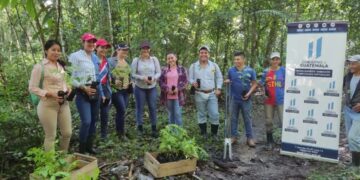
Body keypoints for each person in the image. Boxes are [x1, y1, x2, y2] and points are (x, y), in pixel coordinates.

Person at [29, 40, 72, 152]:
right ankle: (51, 165)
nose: (56, 52)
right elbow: (32, 87)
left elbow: (65, 81)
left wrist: (68, 88)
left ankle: (63, 158)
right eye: (53, 49)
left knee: (67, 133)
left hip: (63, 103)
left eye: (58, 50)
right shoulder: (39, 67)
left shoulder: (60, 66)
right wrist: (50, 94)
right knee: (50, 136)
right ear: (46, 51)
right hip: (47, 105)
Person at [69, 33, 105, 154]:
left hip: (95, 92)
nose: (91, 44)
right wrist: (84, 87)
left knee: (94, 120)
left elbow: (97, 76)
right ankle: (82, 149)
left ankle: (90, 146)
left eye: (93, 42)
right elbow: (70, 78)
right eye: (88, 41)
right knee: (86, 121)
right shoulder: (75, 56)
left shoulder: (95, 57)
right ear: (83, 42)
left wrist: (102, 92)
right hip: (82, 93)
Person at [189, 45, 223, 138]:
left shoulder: (214, 65)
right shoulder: (193, 66)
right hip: (199, 93)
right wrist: (193, 83)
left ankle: (214, 134)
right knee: (201, 113)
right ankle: (203, 133)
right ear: (199, 54)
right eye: (201, 53)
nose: (203, 54)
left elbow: (219, 77)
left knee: (214, 114)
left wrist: (219, 88)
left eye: (205, 52)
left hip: (212, 93)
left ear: (209, 54)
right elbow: (190, 78)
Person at [225, 51, 257, 147]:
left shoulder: (250, 70)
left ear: (243, 59)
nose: (236, 61)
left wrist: (249, 93)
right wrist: (227, 81)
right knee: (233, 118)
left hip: (246, 99)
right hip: (234, 99)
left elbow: (255, 83)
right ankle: (233, 137)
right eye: (235, 59)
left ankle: (250, 138)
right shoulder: (231, 70)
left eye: (238, 59)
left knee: (247, 118)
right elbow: (229, 80)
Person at [131, 41, 161, 138]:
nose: (145, 50)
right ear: (140, 50)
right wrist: (142, 78)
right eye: (143, 48)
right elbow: (132, 74)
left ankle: (154, 128)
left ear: (149, 49)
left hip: (152, 87)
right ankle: (140, 128)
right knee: (140, 107)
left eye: (147, 48)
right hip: (140, 87)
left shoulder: (154, 59)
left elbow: (158, 72)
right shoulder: (136, 60)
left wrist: (154, 78)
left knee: (152, 107)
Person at [259, 52, 285, 150]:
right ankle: (270, 141)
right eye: (273, 59)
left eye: (277, 59)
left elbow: (288, 83)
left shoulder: (283, 70)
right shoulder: (266, 71)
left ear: (279, 60)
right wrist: (262, 90)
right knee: (269, 120)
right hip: (268, 100)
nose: (275, 61)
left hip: (280, 100)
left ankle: (284, 142)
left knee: (283, 121)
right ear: (270, 60)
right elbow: (261, 84)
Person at [109, 43, 132, 140]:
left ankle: (120, 131)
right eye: (123, 50)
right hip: (116, 90)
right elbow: (107, 74)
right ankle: (121, 134)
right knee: (122, 109)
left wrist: (131, 82)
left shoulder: (127, 62)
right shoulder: (111, 61)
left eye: (126, 50)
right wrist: (114, 81)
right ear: (118, 50)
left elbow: (129, 75)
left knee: (121, 111)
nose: (125, 52)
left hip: (125, 90)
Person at [159, 52, 188, 126]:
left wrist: (178, 88)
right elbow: (160, 81)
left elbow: (185, 81)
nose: (170, 60)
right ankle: (171, 132)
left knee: (178, 114)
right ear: (167, 61)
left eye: (172, 58)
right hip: (168, 95)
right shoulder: (164, 70)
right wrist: (167, 89)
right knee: (171, 114)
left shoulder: (181, 69)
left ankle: (179, 133)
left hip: (178, 95)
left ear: (176, 58)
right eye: (168, 58)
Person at [344, 55, 360, 166]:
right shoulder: (348, 76)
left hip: (358, 113)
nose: (351, 66)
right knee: (350, 137)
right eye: (350, 63)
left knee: (353, 137)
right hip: (348, 110)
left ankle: (356, 165)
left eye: (354, 63)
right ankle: (355, 162)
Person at [95, 39, 112, 140]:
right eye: (102, 47)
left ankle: (104, 135)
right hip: (96, 88)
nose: (104, 50)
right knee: (95, 113)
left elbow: (110, 75)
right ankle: (92, 135)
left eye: (106, 48)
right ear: (96, 48)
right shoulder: (92, 60)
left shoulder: (107, 61)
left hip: (106, 88)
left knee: (105, 113)